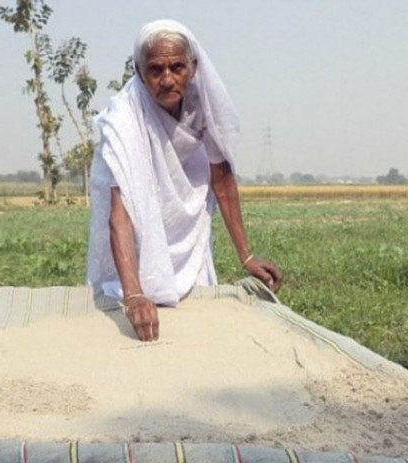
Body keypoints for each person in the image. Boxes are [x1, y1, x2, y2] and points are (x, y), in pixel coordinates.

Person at [86, 19, 283, 341]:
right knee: (121, 297)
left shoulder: (203, 102)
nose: (167, 79)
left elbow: (222, 179)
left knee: (196, 319)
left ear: (192, 67)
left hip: (186, 221)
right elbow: (120, 215)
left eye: (177, 68)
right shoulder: (124, 118)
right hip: (135, 223)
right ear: (139, 71)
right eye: (156, 70)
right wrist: (134, 295)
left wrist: (246, 256)